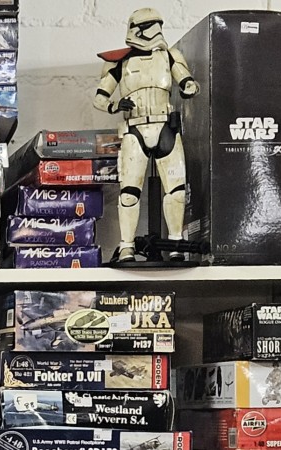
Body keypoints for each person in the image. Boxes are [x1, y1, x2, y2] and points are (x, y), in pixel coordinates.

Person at [93, 8, 198, 263]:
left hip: (165, 126)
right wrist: (115, 106)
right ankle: (127, 246)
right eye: (150, 25)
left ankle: (175, 244)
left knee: (176, 190)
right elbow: (99, 98)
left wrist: (189, 87)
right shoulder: (120, 62)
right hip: (135, 128)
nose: (155, 31)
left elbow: (187, 81)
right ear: (136, 29)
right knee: (129, 192)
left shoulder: (170, 56)